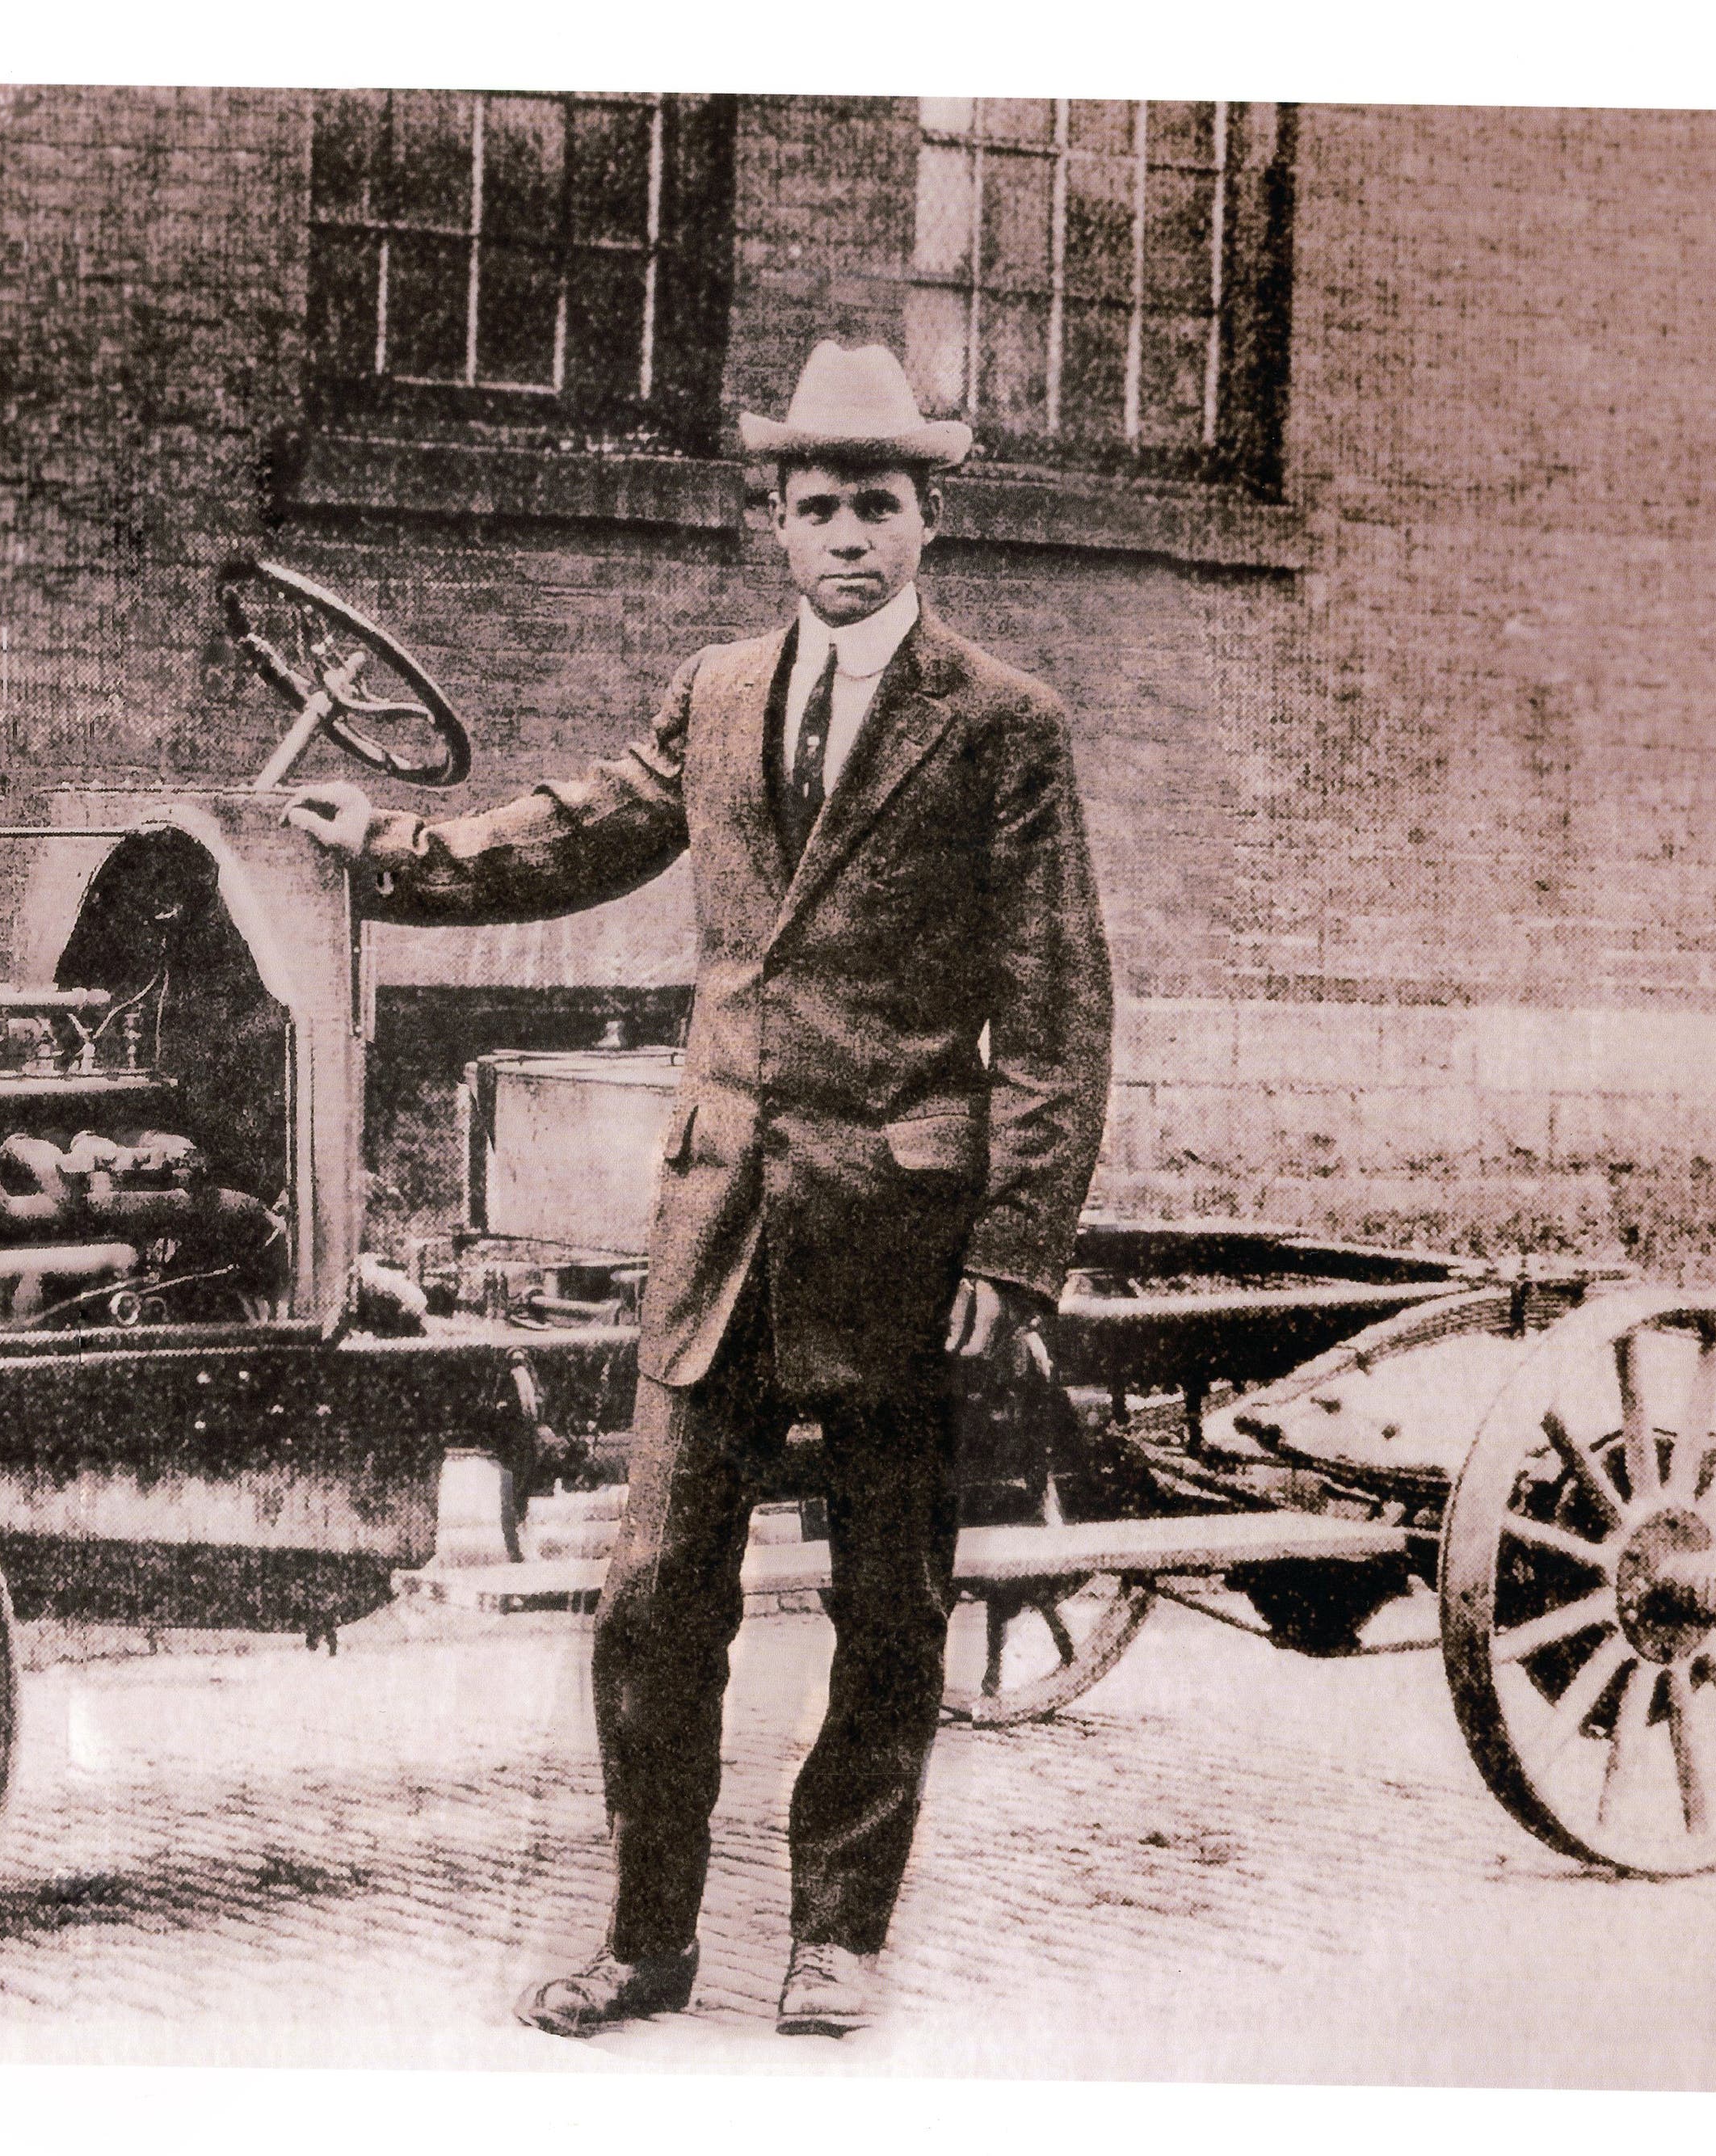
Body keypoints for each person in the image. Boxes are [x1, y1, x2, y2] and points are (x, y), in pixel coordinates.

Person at [285, 341, 1113, 2039]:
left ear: (926, 519)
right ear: (776, 525)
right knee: (655, 1596)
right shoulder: (720, 690)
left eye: (879, 505)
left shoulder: (1003, 727)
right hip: (721, 1216)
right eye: (819, 508)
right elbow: (583, 829)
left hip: (902, 1227)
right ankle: (648, 1933)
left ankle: (840, 1935)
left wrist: (1016, 1250)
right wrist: (387, 847)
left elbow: (1055, 1007)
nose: (849, 538)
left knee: (892, 1603)